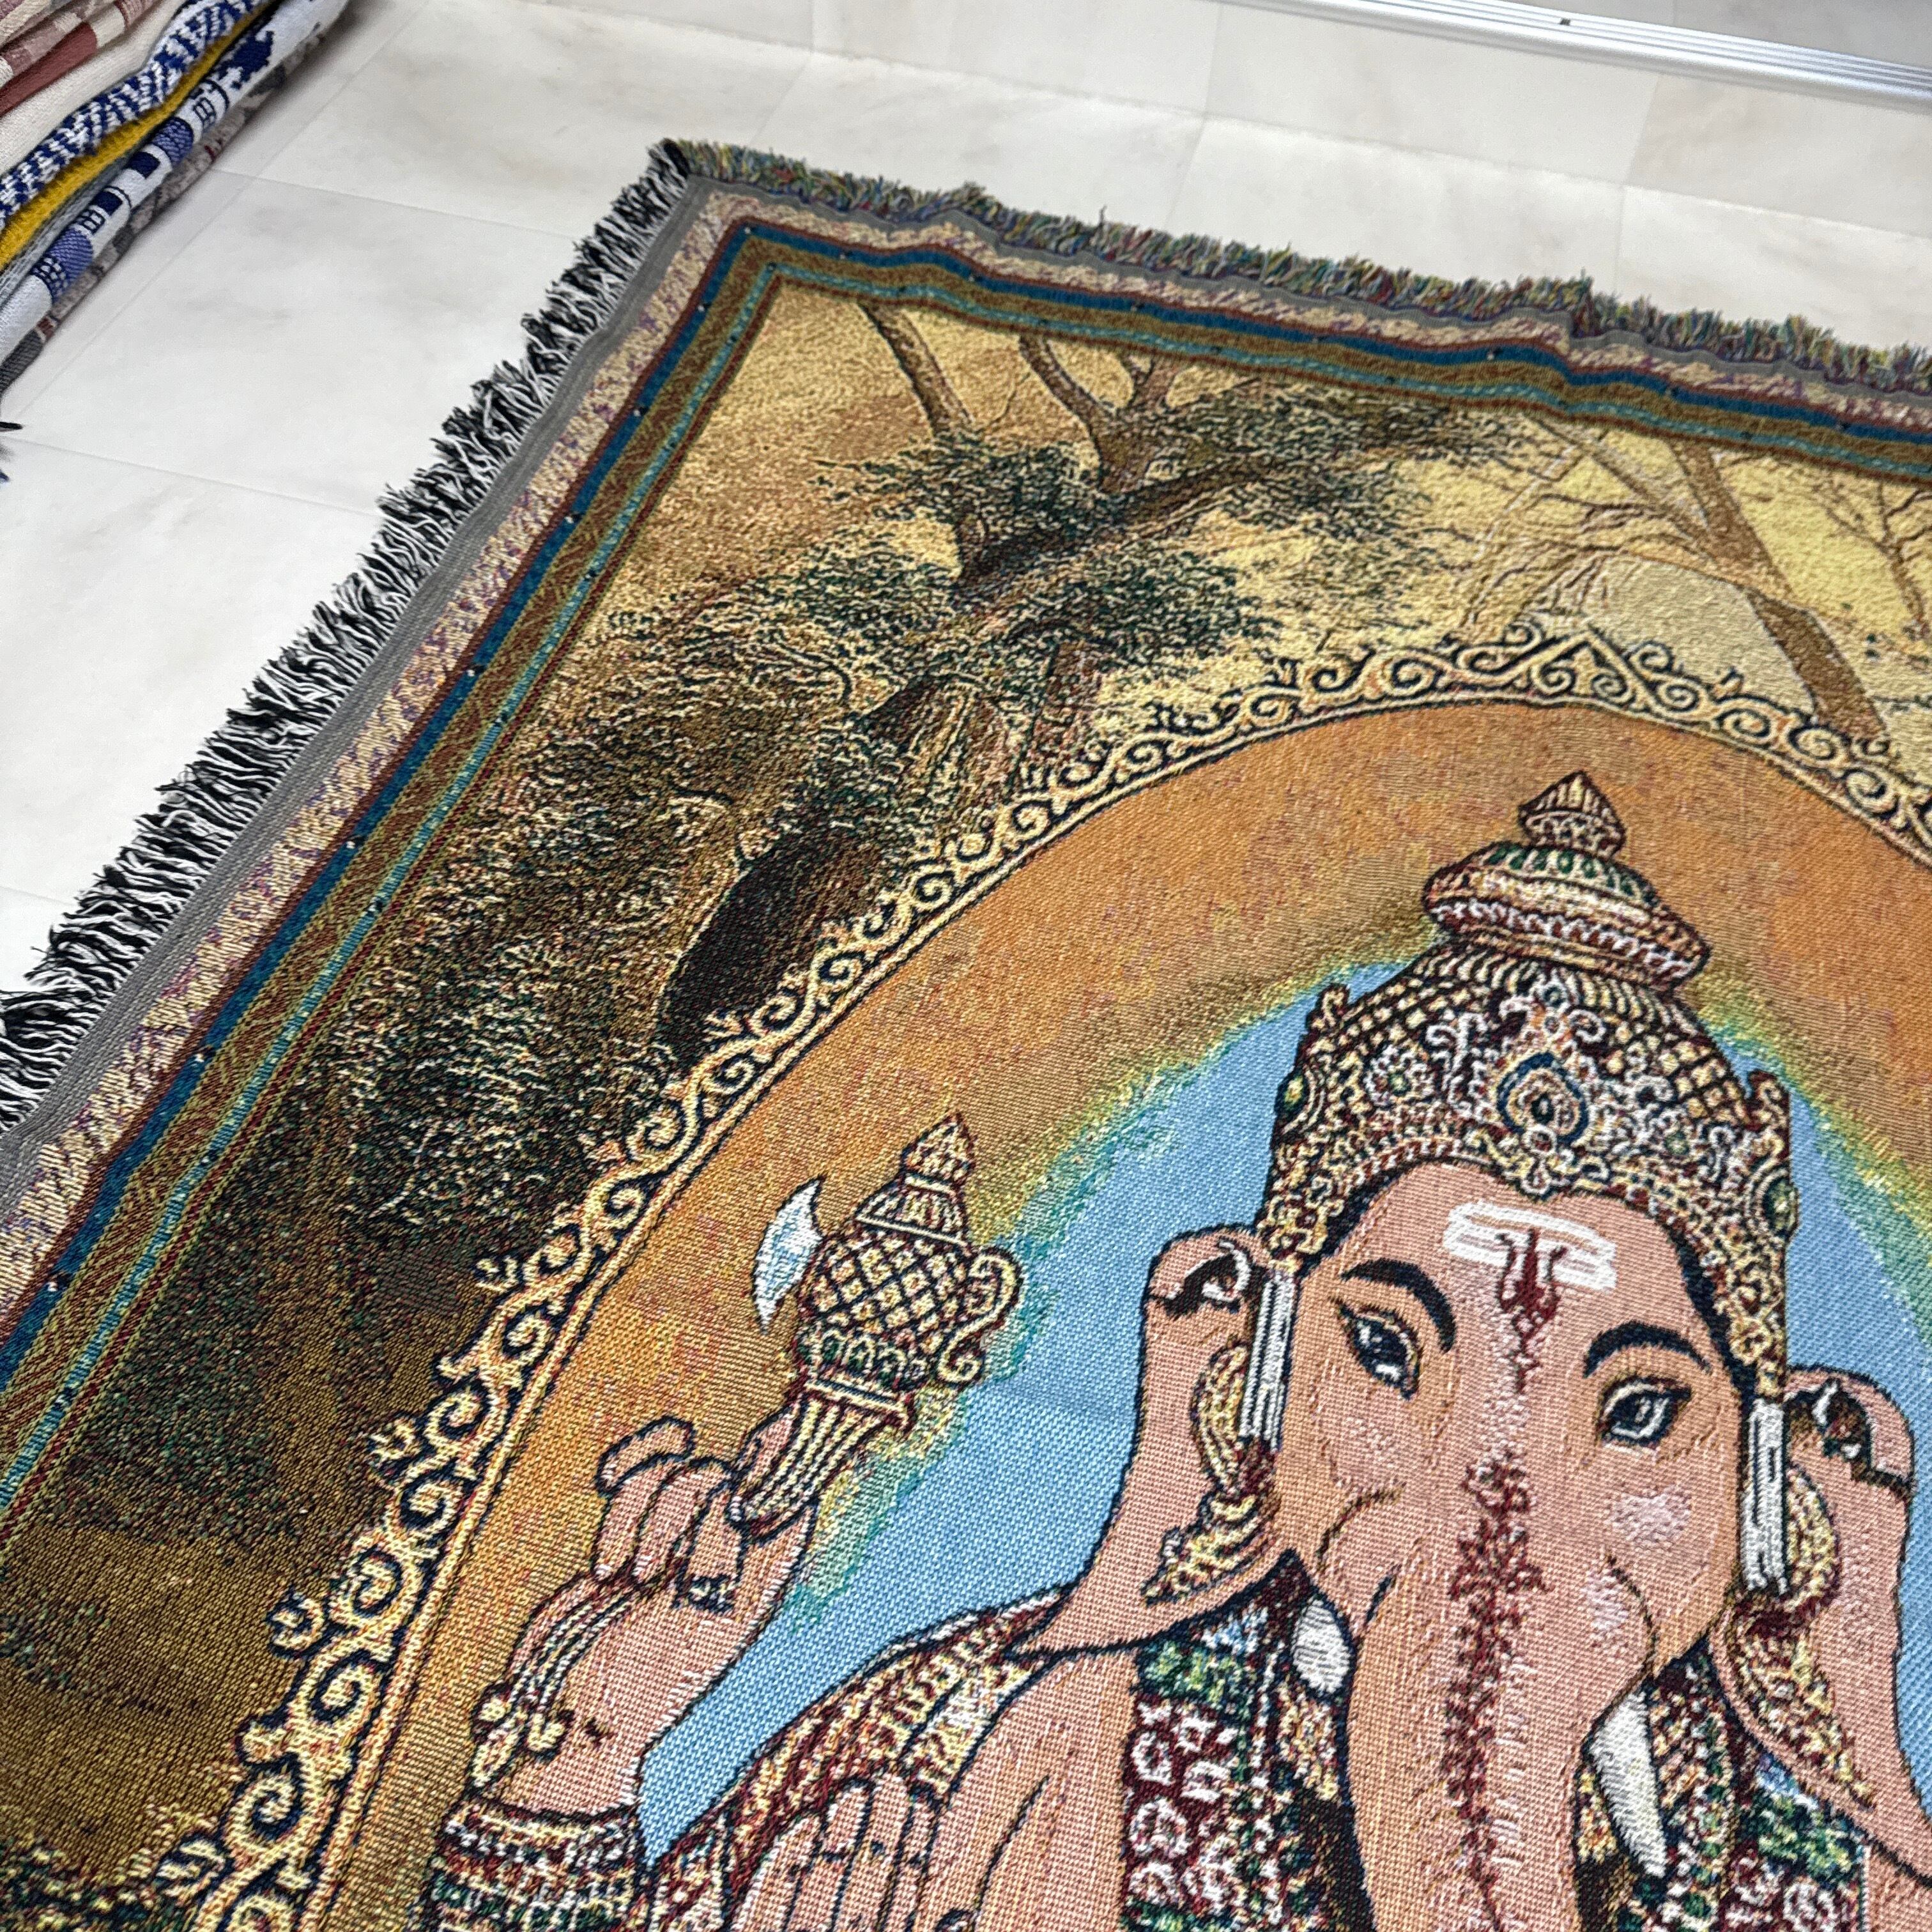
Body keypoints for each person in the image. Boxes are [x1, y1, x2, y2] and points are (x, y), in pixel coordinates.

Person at [417, 773, 1932, 1932]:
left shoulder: (1833, 1877)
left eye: (1643, 1409)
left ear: (1770, 1467)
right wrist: (578, 1766)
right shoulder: (987, 1733)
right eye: (1388, 1350)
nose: (1497, 1521)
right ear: (1247, 1365)